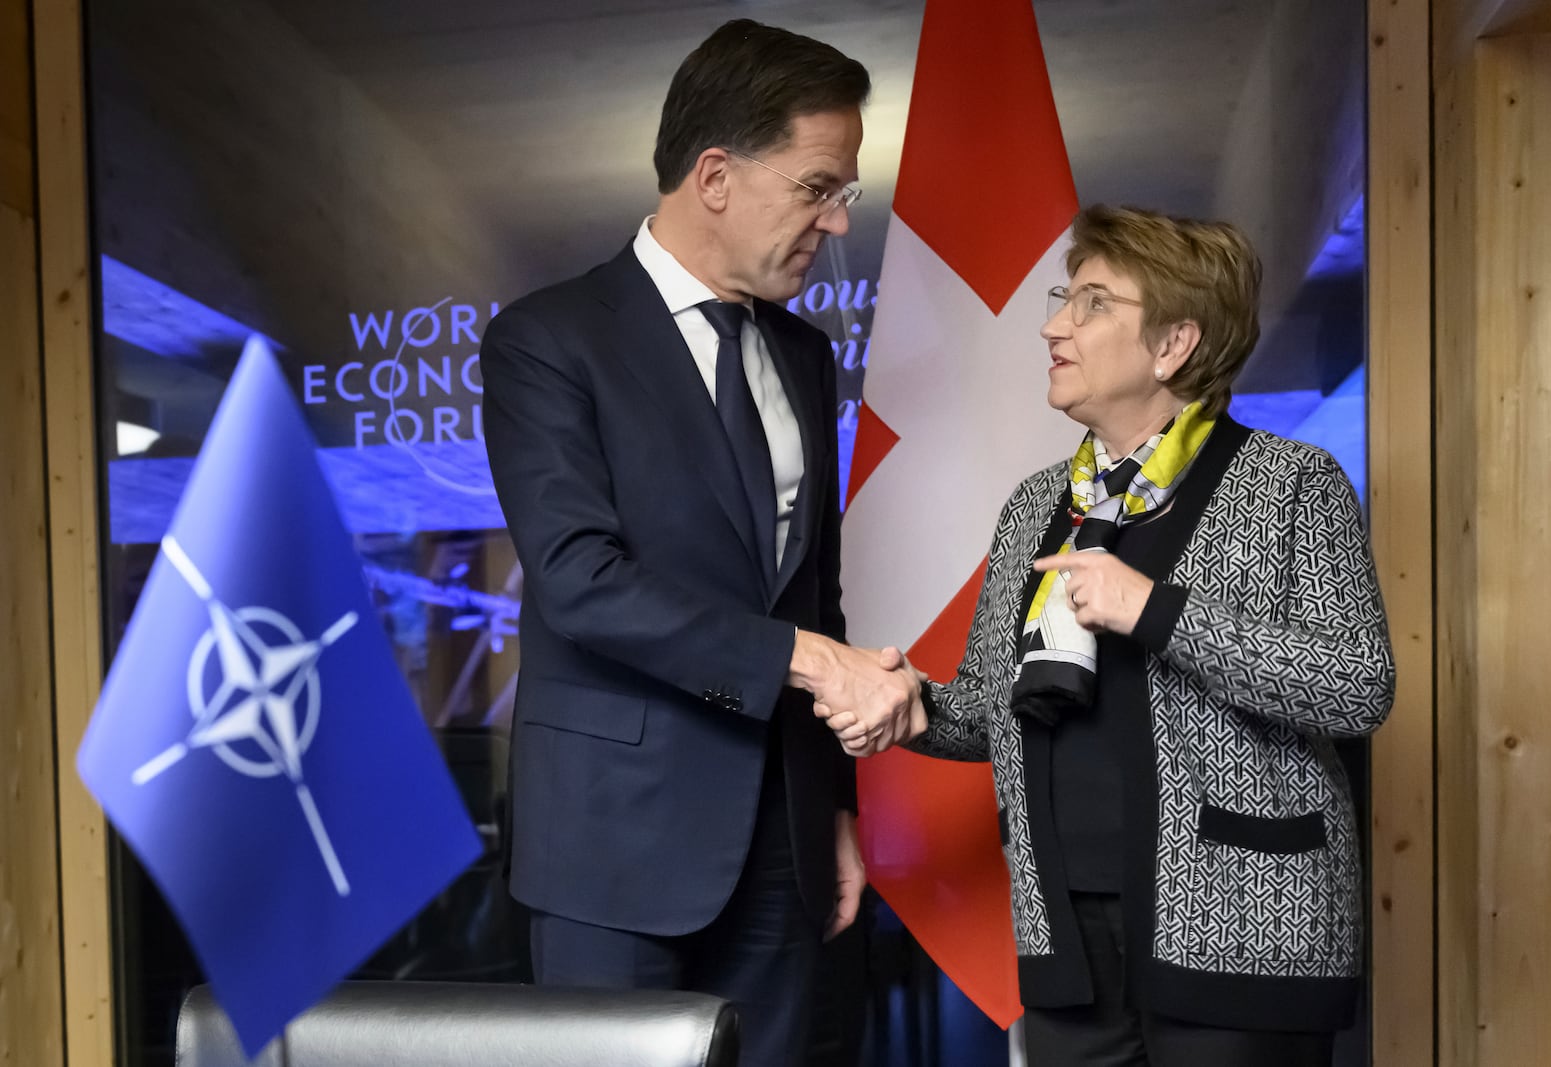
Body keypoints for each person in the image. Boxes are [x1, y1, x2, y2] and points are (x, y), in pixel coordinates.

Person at [822, 204, 1395, 1065]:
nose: (1055, 324)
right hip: (1069, 942)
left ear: (1174, 346)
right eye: (1065, 297)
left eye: (1092, 302)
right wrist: (912, 708)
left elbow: (1357, 685)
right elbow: (991, 710)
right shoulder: (1035, 505)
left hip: (1239, 935)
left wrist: (1154, 609)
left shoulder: (1291, 484)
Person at [479, 19, 920, 1067]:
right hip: (612, 852)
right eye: (817, 186)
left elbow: (816, 596)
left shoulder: (806, 356)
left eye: (841, 193)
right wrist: (810, 661)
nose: (834, 221)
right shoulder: (548, 340)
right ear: (715, 174)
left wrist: (837, 813)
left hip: (784, 843)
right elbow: (581, 581)